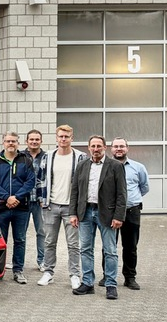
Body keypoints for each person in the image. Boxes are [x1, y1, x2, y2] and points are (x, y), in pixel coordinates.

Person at [69, 136, 126, 300]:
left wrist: (118, 216)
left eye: (99, 146)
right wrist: (73, 213)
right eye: (93, 146)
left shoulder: (115, 166)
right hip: (85, 212)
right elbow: (75, 192)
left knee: (110, 250)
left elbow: (122, 194)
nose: (96, 149)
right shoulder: (82, 166)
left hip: (106, 214)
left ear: (105, 147)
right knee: (85, 249)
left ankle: (111, 285)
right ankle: (87, 283)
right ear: (88, 148)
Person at [38, 125, 87, 288]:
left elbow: (85, 183)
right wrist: (41, 199)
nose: (63, 139)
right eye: (61, 136)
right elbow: (40, 179)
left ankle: (74, 274)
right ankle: (48, 272)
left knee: (73, 244)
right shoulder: (48, 156)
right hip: (51, 206)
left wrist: (80, 207)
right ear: (56, 138)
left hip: (71, 209)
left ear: (72, 138)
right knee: (49, 242)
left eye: (67, 136)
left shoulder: (81, 157)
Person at [0, 132, 36, 284]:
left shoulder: (26, 160)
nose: (11, 144)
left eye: (13, 141)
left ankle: (18, 270)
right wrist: (7, 197)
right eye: (8, 141)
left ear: (18, 143)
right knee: (0, 240)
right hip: (1, 207)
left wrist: (17, 197)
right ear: (3, 143)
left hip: (21, 207)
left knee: (20, 239)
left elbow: (30, 181)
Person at [111, 137, 149, 290]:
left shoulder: (138, 167)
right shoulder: (106, 166)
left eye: (122, 146)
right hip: (111, 212)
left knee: (130, 246)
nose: (119, 149)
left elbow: (144, 187)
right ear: (111, 149)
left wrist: (131, 199)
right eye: (116, 146)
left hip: (132, 211)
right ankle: (108, 276)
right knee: (109, 246)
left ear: (127, 148)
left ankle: (130, 277)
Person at [22, 130, 48, 272]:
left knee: (41, 232)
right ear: (27, 141)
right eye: (31, 139)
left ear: (41, 141)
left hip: (40, 201)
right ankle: (18, 261)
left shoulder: (47, 157)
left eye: (37, 139)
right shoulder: (20, 156)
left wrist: (44, 197)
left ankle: (42, 261)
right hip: (23, 200)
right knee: (21, 233)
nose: (34, 141)